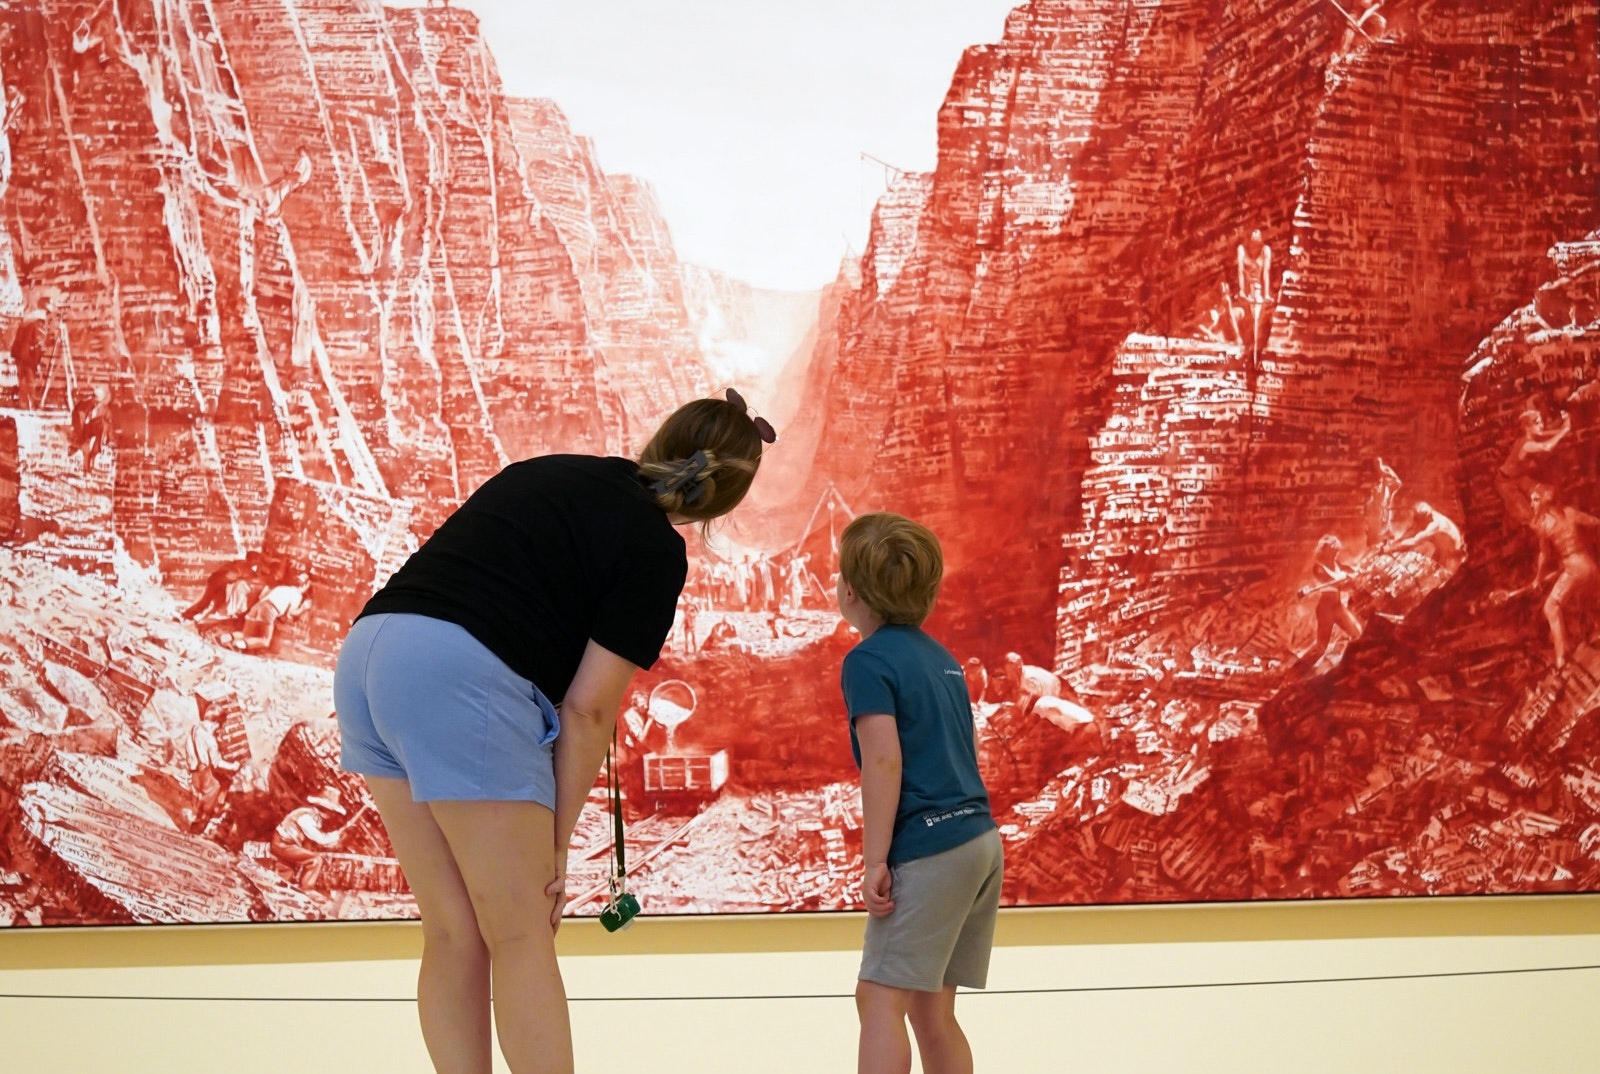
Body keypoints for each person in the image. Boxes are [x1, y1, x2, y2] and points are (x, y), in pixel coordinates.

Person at [333, 389, 772, 1074]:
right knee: (520, 930)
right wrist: (557, 845)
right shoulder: (656, 550)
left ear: (661, 438)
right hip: (461, 675)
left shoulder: (550, 469)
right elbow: (589, 710)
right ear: (721, 502)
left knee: (453, 929)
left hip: (371, 654)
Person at [834, 512, 1002, 1074]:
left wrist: (876, 860)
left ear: (850, 590)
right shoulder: (943, 660)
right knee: (933, 1006)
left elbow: (883, 762)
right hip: (978, 841)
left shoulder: (867, 661)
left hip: (929, 846)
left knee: (878, 997)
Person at [1500, 484, 1600, 668]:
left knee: (1551, 607)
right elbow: (1595, 523)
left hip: (1573, 567)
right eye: (1531, 500)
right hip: (1588, 565)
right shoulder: (1570, 513)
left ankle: (1562, 657)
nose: (1532, 504)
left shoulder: (1544, 525)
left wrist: (1538, 578)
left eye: (1535, 499)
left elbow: (1544, 554)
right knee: (1583, 601)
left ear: (1545, 500)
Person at [270, 784, 365, 886]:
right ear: (326, 810)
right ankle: (306, 889)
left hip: (284, 843)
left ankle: (281, 884)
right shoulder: (307, 817)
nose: (333, 815)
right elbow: (321, 839)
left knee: (288, 866)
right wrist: (339, 832)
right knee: (315, 860)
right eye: (333, 812)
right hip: (283, 844)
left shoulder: (312, 815)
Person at [1297, 534, 1364, 667]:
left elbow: (1349, 570)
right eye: (1334, 549)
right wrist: (1350, 582)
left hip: (1338, 607)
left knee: (1357, 634)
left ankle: (1351, 665)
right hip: (1325, 609)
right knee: (1321, 646)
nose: (1337, 552)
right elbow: (1338, 585)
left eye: (1337, 550)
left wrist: (1357, 572)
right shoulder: (1318, 568)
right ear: (1325, 551)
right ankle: (1295, 672)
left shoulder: (1337, 564)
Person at [184, 706, 240, 834]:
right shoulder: (210, 740)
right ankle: (197, 829)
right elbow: (216, 763)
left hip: (194, 771)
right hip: (204, 772)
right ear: (216, 723)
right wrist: (233, 766)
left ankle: (203, 813)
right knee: (212, 795)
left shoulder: (196, 728)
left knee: (205, 793)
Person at [239, 567, 312, 652]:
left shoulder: (281, 588)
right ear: (304, 585)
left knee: (245, 635)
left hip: (257, 606)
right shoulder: (297, 595)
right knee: (265, 640)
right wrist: (304, 607)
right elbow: (289, 614)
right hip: (270, 610)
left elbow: (262, 596)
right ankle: (239, 645)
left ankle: (228, 638)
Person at [1390, 500, 1465, 570]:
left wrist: (1395, 547)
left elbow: (1416, 540)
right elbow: (1415, 533)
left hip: (1449, 550)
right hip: (1445, 545)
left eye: (1418, 517)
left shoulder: (1435, 525)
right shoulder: (1434, 517)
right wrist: (1398, 541)